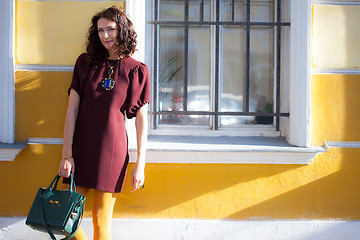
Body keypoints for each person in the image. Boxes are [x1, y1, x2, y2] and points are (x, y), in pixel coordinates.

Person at [58, 6, 150, 240]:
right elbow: (72, 109)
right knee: (64, 217)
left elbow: (141, 119)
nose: (105, 35)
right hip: (80, 149)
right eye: (100, 30)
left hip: (113, 152)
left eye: (111, 29)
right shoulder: (85, 64)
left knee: (101, 220)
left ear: (123, 30)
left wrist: (140, 163)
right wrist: (66, 154)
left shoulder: (136, 70)